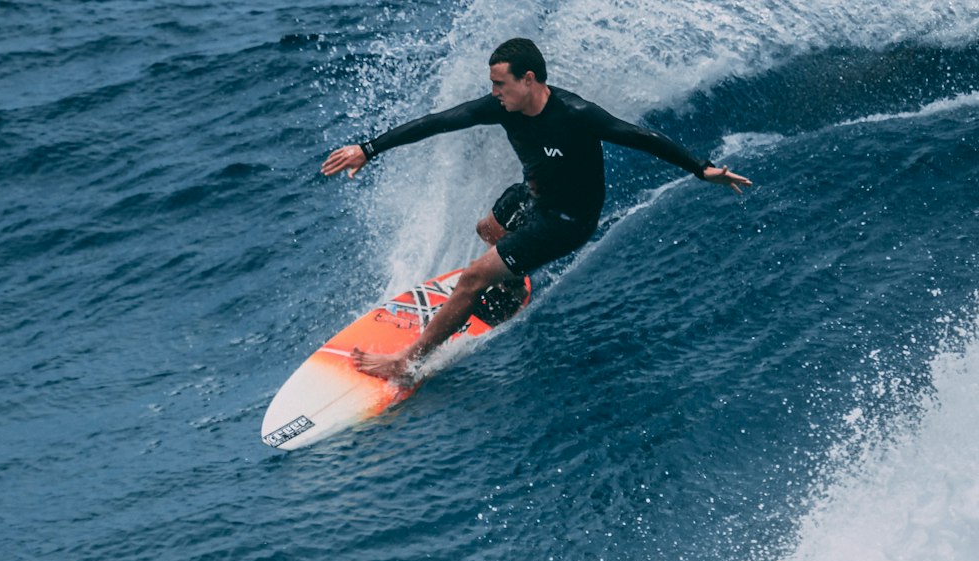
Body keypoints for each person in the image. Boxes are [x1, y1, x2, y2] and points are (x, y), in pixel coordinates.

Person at [321, 37, 750, 381]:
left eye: (500, 85)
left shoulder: (576, 114)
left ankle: (405, 362)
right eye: (491, 86)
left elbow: (640, 136)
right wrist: (368, 148)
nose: (493, 94)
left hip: (568, 220)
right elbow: (439, 121)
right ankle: (510, 284)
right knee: (487, 228)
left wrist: (701, 168)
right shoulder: (503, 107)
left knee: (472, 279)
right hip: (534, 194)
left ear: (528, 79)